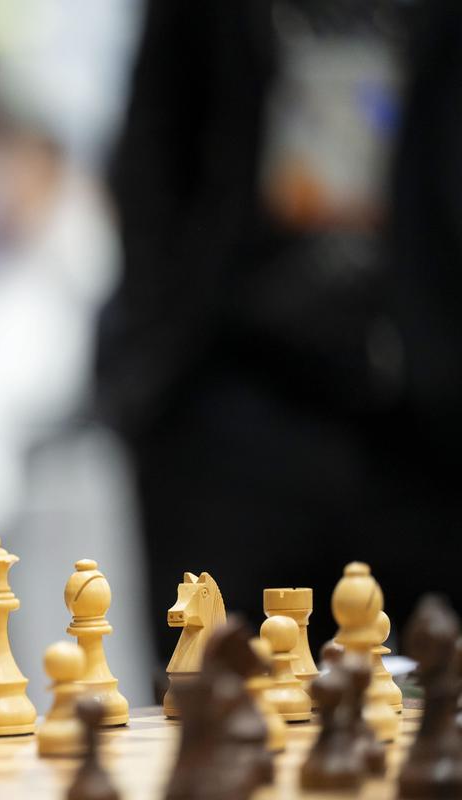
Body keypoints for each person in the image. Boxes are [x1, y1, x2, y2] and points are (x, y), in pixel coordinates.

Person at [97, 0, 462, 667]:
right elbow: (153, 144)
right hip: (232, 397)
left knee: (424, 720)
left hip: (428, 416)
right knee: (225, 717)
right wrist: (153, 374)